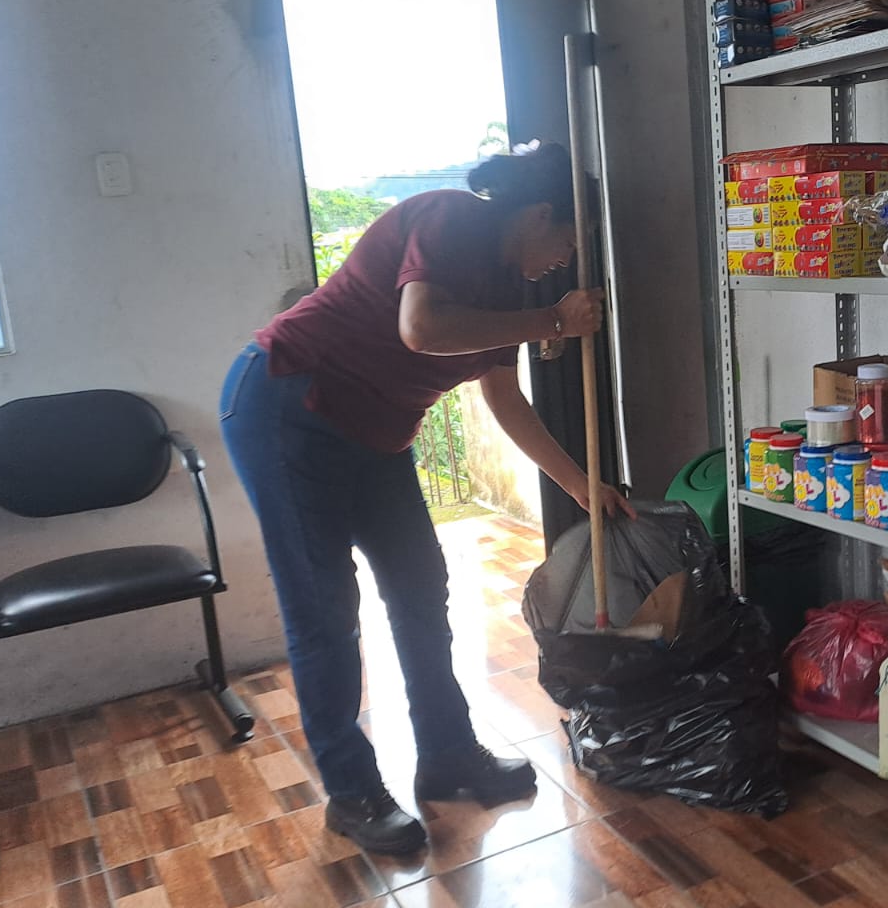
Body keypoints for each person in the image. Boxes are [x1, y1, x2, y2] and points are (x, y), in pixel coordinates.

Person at [219, 142, 632, 856]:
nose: (565, 260)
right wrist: (554, 322)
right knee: (323, 610)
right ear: (539, 215)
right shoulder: (449, 219)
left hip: (376, 432)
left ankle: (448, 756)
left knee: (419, 587)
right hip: (288, 406)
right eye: (568, 241)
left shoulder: (513, 290)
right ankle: (352, 793)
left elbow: (504, 398)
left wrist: (578, 485)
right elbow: (422, 327)